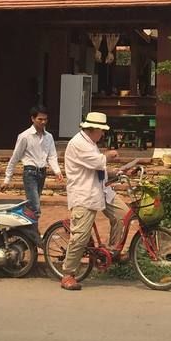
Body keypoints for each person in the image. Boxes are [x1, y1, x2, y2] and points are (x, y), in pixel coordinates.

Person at [59, 111, 122, 291]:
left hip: (100, 190)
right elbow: (96, 162)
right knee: (80, 236)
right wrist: (108, 156)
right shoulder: (78, 143)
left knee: (122, 215)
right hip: (84, 194)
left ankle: (112, 251)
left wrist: (116, 173)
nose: (103, 134)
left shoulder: (90, 143)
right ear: (92, 129)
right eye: (101, 131)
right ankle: (68, 274)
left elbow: (97, 168)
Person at [2, 105, 64, 221]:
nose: (43, 122)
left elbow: (52, 156)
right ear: (33, 119)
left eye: (45, 119)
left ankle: (25, 231)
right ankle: (33, 235)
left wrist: (57, 171)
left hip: (42, 172)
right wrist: (7, 178)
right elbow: (15, 157)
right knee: (35, 207)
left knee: (32, 206)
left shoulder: (49, 137)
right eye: (40, 119)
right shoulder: (25, 136)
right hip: (30, 172)